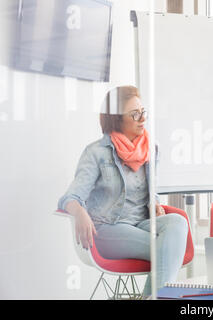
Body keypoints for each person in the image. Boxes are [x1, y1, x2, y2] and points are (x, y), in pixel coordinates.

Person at [57, 86, 188, 298]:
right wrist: (80, 212)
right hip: (107, 228)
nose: (142, 118)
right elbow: (70, 197)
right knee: (166, 248)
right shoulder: (96, 153)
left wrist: (154, 203)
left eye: (143, 111)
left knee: (178, 223)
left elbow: (151, 190)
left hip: (141, 223)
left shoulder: (151, 149)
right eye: (134, 114)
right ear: (117, 119)